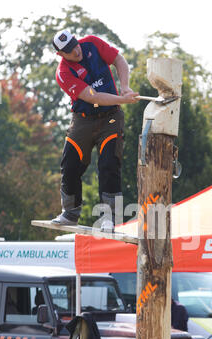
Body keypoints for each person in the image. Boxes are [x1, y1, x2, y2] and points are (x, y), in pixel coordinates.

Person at [51, 29, 140, 231]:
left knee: (109, 164)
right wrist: (123, 99)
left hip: (111, 117)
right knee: (70, 165)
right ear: (60, 54)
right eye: (69, 50)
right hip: (82, 121)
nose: (76, 50)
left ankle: (109, 217)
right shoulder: (63, 73)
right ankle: (70, 213)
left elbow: (119, 60)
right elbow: (93, 96)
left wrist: (124, 86)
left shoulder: (92, 43)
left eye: (75, 43)